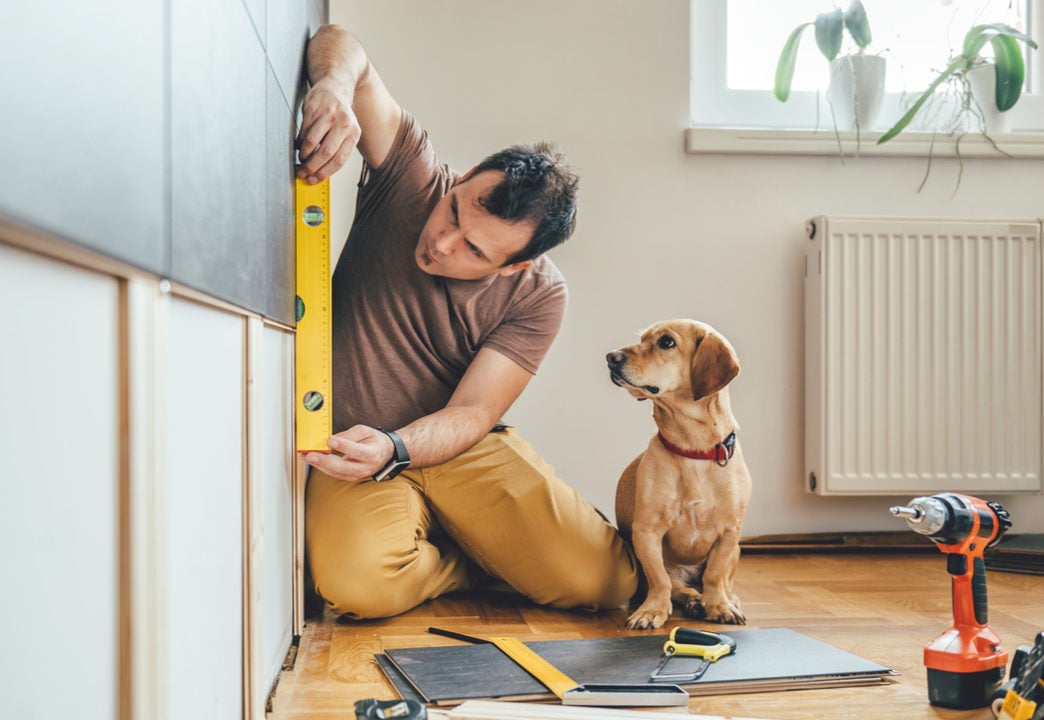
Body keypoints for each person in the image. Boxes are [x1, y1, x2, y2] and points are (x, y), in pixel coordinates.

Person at [296, 24, 637, 620]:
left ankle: (485, 545)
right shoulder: (412, 179)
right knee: (358, 589)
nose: (442, 243)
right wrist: (333, 84)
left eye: (475, 251)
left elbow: (475, 412)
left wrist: (399, 446)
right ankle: (472, 560)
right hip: (349, 444)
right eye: (455, 210)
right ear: (460, 180)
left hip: (452, 444)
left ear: (515, 267)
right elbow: (342, 43)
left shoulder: (540, 295)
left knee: (606, 582)